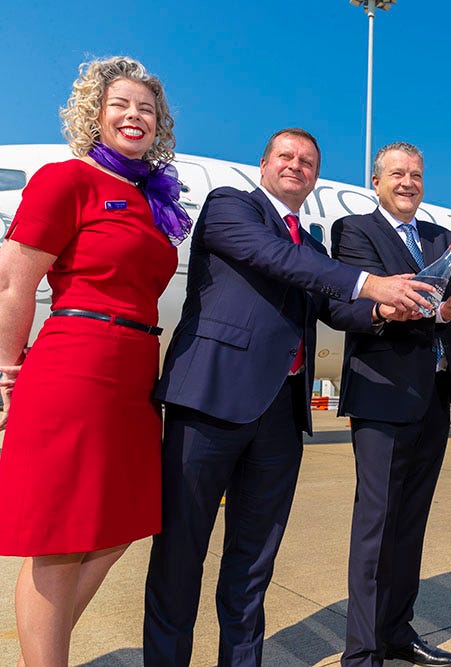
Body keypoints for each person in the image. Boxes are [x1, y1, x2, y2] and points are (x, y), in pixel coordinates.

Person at [144, 128, 429, 666]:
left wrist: (383, 309)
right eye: (286, 156)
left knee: (253, 564)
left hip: (280, 412)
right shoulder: (231, 207)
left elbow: (335, 307)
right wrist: (369, 283)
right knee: (180, 555)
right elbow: (275, 257)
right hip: (210, 403)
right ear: (264, 164)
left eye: (308, 162)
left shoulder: (313, 248)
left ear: (315, 176)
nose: (296, 166)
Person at [0, 56, 190, 664]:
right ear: (94, 114)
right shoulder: (67, 179)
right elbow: (14, 280)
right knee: (60, 540)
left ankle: (44, 646)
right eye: (120, 105)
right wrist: (6, 371)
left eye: (146, 109)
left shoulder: (147, 198)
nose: (135, 116)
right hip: (78, 362)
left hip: (135, 372)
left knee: (121, 525)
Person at [330, 142, 451, 667]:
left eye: (416, 175)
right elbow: (362, 304)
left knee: (411, 523)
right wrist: (441, 309)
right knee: (376, 525)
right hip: (382, 394)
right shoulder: (355, 231)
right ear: (376, 181)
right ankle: (363, 651)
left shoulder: (438, 237)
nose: (408, 183)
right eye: (397, 174)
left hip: (433, 395)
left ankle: (397, 632)